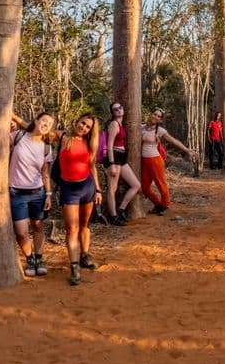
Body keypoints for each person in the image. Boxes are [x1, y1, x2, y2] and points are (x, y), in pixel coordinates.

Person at [56, 113, 103, 286]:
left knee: (84, 225)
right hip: (69, 190)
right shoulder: (63, 138)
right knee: (71, 229)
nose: (83, 128)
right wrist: (13, 119)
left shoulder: (89, 144)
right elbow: (38, 130)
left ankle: (85, 255)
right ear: (77, 121)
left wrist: (98, 189)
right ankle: (74, 267)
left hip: (87, 187)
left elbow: (92, 167)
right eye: (83, 123)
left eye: (88, 127)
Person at [9, 112, 55, 277]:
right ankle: (29, 258)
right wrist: (11, 121)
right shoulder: (18, 136)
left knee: (37, 226)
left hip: (38, 192)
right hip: (16, 193)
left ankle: (39, 258)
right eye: (44, 120)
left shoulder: (46, 147)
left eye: (49, 124)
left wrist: (48, 194)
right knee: (21, 232)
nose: (46, 124)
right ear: (36, 121)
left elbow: (45, 173)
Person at [141, 107, 197, 215]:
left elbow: (173, 140)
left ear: (160, 120)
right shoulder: (142, 128)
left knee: (160, 184)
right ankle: (158, 204)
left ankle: (165, 205)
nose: (156, 117)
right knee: (144, 187)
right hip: (144, 161)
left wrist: (187, 150)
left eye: (158, 116)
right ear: (151, 115)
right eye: (155, 114)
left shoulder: (160, 131)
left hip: (155, 160)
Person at [104, 102, 141, 225]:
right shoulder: (114, 124)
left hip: (122, 158)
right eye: (115, 109)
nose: (119, 110)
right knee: (112, 189)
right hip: (114, 157)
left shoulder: (121, 124)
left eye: (120, 107)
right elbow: (109, 145)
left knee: (136, 185)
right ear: (112, 113)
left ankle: (121, 210)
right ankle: (113, 216)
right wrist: (111, 163)